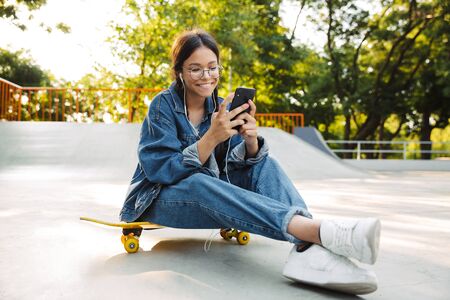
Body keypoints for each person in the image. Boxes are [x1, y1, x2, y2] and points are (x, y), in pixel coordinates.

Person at [119, 29, 381, 295]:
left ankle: (308, 250)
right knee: (198, 181)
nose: (206, 76)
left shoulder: (221, 107)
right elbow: (159, 169)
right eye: (195, 69)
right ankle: (319, 233)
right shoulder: (162, 105)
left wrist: (251, 140)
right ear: (180, 72)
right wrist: (210, 138)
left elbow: (238, 168)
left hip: (213, 195)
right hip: (159, 200)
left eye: (212, 67)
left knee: (266, 162)